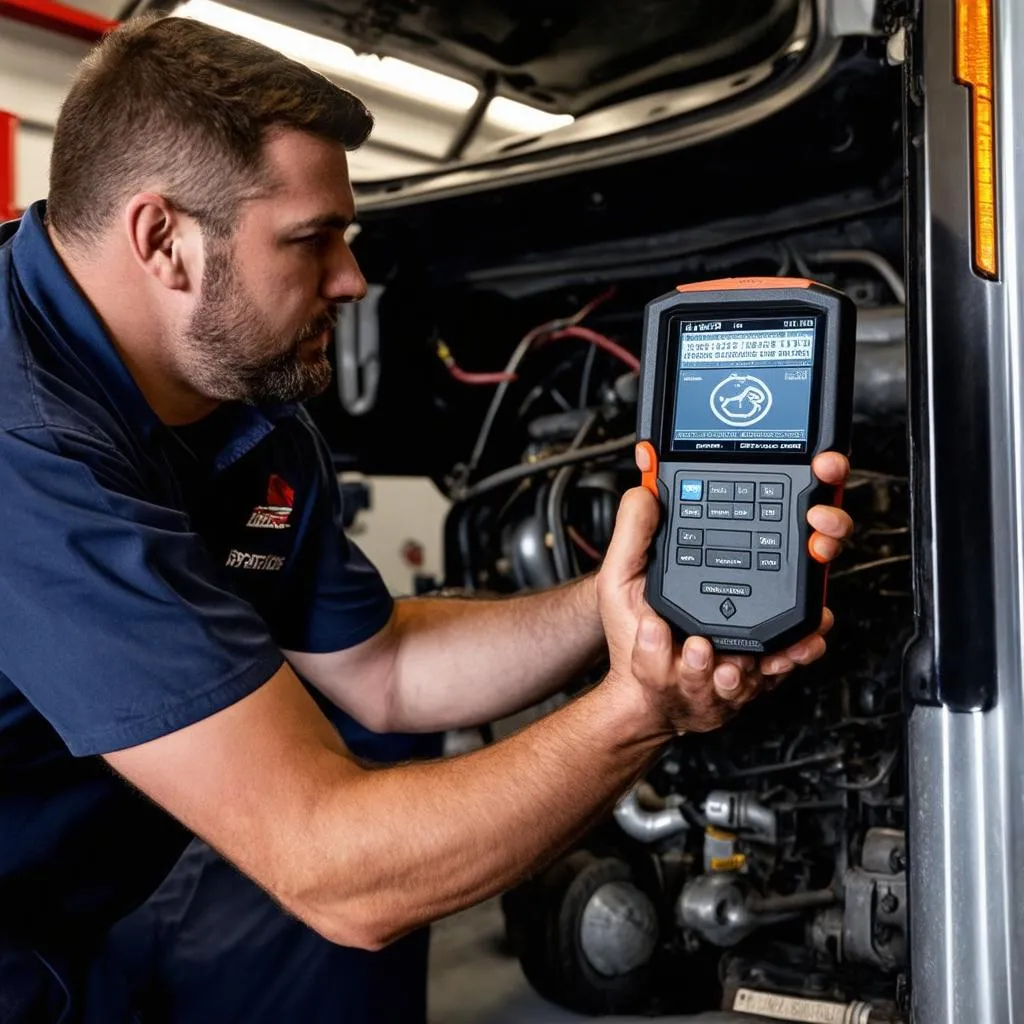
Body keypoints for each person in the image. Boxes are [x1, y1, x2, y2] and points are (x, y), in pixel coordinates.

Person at [0, 14, 853, 1024]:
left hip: (67, 903)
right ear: (162, 240)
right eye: (312, 240)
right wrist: (640, 708)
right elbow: (336, 869)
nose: (353, 279)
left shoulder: (243, 406)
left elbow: (382, 667)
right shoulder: (30, 440)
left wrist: (632, 594)